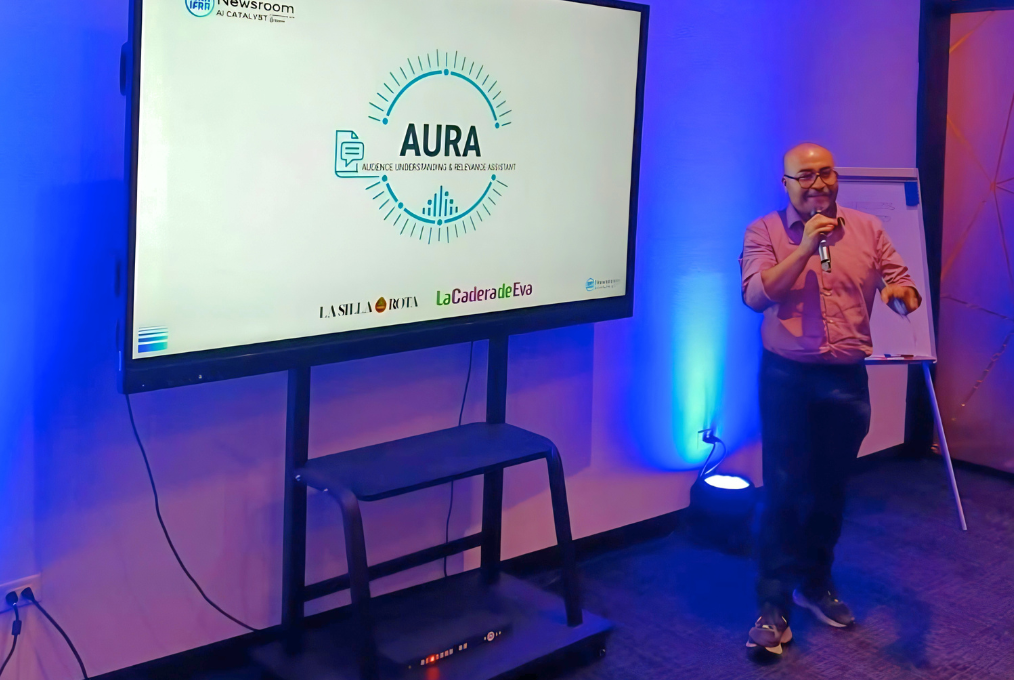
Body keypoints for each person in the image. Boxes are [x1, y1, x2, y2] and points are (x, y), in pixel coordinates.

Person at [739, 143, 921, 657]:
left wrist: (901, 297)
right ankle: (772, 607)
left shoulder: (867, 229)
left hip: (846, 378)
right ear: (786, 183)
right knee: (784, 490)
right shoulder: (764, 233)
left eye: (826, 175)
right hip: (787, 379)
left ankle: (815, 583)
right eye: (805, 177)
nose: (817, 185)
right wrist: (803, 248)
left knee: (830, 490)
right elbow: (756, 296)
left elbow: (898, 279)